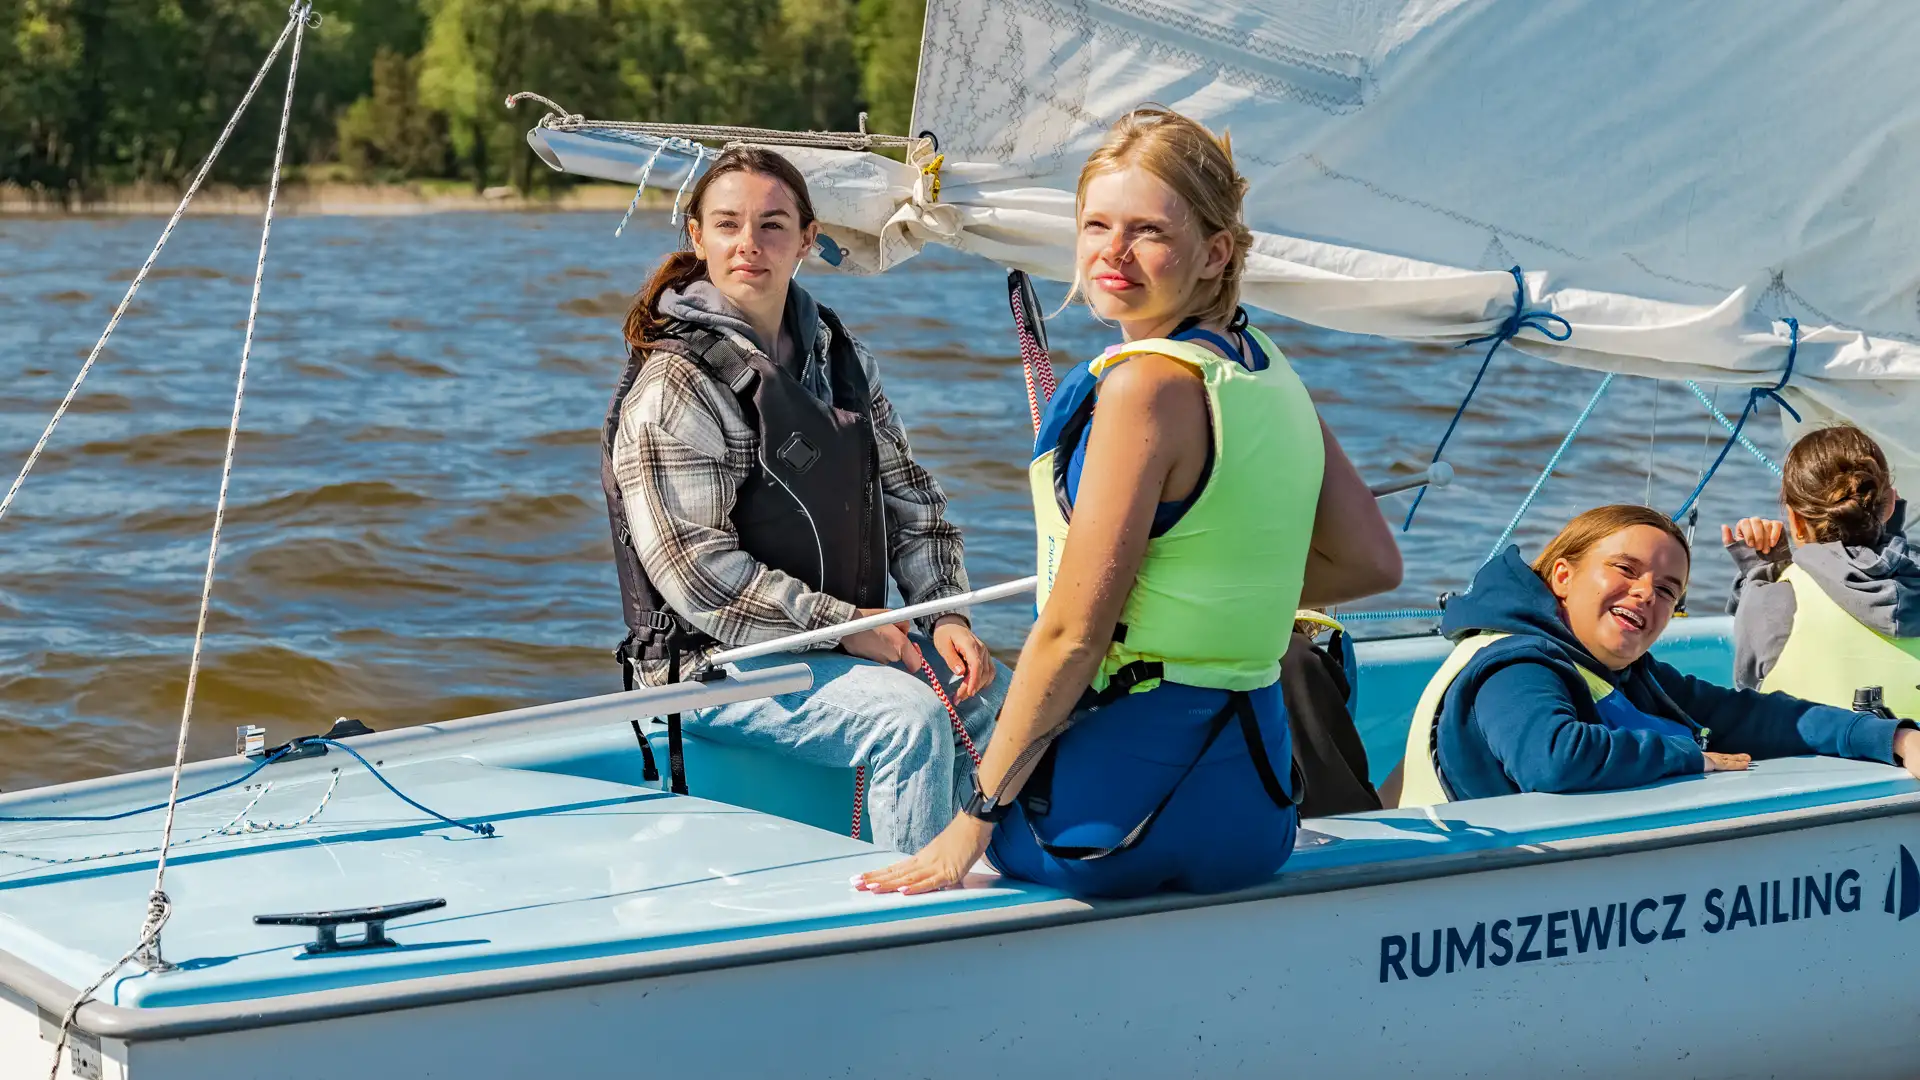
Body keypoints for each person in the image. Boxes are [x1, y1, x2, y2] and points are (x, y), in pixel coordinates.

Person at [857, 107, 1402, 898]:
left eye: (1148, 231)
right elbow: (1373, 563)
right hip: (1255, 821)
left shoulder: (1145, 387)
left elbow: (1073, 637)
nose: (1113, 252)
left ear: (1216, 252)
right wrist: (1211, 600)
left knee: (968, 809)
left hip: (1113, 834)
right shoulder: (1266, 370)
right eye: (1096, 225)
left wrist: (971, 826)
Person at [603, 146, 1009, 854]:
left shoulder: (840, 356)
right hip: (711, 668)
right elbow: (696, 573)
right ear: (697, 237)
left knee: (985, 692)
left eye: (772, 225)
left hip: (835, 639)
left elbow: (911, 499)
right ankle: (911, 905)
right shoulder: (675, 386)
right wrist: (842, 625)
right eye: (727, 224)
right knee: (907, 719)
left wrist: (943, 612)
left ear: (807, 240)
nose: (749, 244)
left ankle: (976, 879)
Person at [1397, 504, 1920, 806]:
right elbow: (1551, 760)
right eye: (1625, 570)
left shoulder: (1624, 674)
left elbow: (1749, 715)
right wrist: (1690, 756)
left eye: (1668, 590)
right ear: (1562, 576)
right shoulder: (1516, 663)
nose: (1647, 593)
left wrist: (1893, 737)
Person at [1722, 424, 1920, 710]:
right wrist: (1891, 539)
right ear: (1889, 505)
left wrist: (1763, 572)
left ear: (1796, 521)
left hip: (1817, 739)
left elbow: (1748, 689)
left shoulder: (1774, 598)